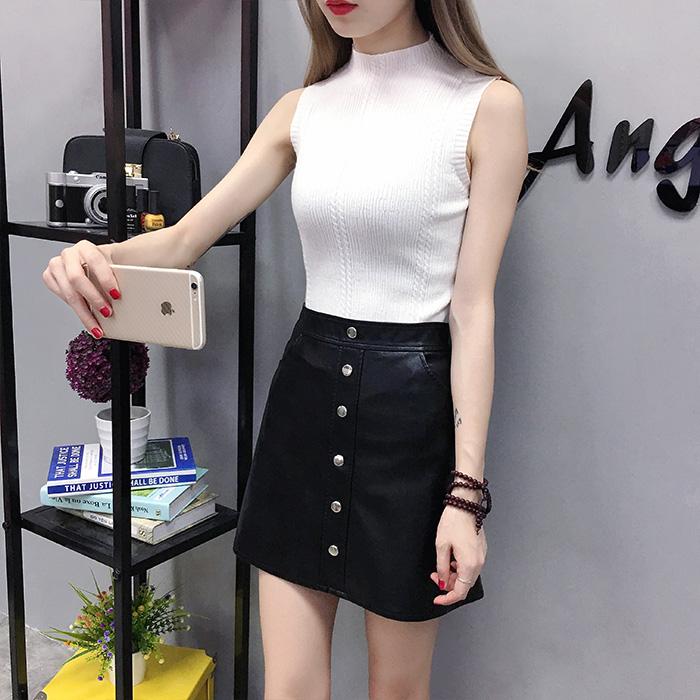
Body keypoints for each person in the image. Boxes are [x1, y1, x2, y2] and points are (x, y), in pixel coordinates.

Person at [43, 0, 528, 697]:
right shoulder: (302, 110)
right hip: (305, 404)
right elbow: (183, 240)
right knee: (290, 686)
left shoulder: (487, 106)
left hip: (410, 422)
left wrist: (466, 493)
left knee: (398, 689)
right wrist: (91, 256)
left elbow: (473, 309)